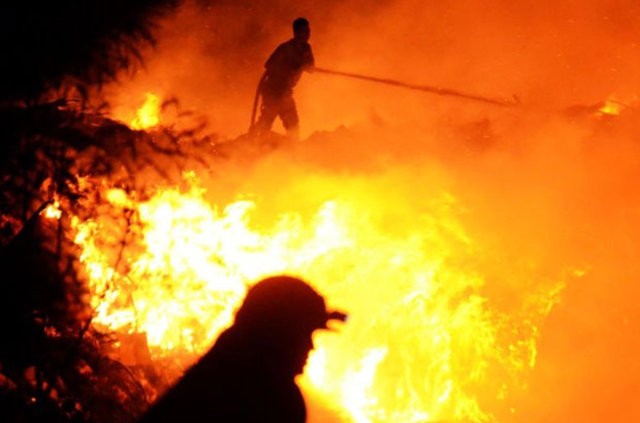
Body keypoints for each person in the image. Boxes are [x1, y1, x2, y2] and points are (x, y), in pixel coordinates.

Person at [138, 275, 347, 423]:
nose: (310, 347)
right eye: (304, 333)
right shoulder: (269, 400)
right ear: (280, 334)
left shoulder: (215, 376)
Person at [251, 17, 315, 140]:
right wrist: (288, 64)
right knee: (266, 121)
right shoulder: (286, 48)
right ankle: (252, 141)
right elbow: (268, 64)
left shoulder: (306, 49)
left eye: (308, 31)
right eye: (304, 31)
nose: (307, 34)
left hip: (286, 92)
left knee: (293, 125)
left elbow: (311, 68)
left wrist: (304, 65)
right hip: (273, 90)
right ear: (296, 33)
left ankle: (291, 150)